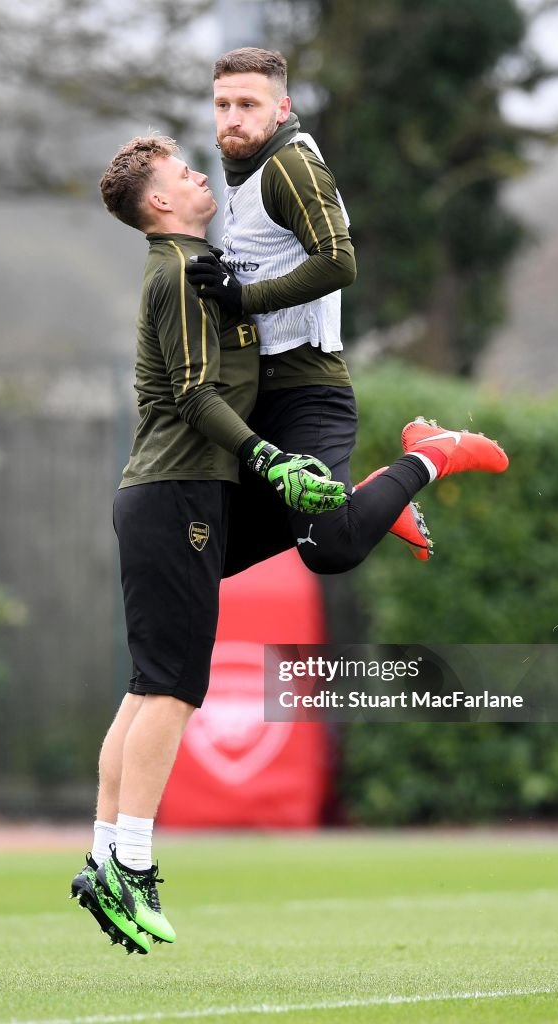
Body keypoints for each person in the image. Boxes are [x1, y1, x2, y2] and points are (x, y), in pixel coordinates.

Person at [69, 134, 347, 956]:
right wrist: (265, 454)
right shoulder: (181, 273)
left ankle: (103, 855)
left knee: (149, 686)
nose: (200, 176)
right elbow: (194, 393)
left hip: (163, 497)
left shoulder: (194, 269)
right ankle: (134, 865)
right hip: (176, 495)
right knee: (174, 692)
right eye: (185, 173)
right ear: (159, 203)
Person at [187, 47, 508, 578]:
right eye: (223, 104)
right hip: (254, 391)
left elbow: (339, 262)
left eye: (248, 103)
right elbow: (268, 256)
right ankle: (367, 501)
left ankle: (431, 454)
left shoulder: (292, 164)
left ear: (282, 107)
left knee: (331, 549)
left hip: (306, 389)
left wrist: (242, 298)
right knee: (210, 553)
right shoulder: (242, 167)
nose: (234, 117)